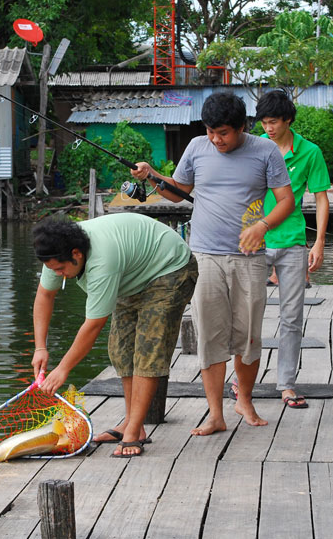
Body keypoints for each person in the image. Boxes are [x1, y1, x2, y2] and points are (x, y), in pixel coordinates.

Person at [131, 91, 294, 436]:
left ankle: (245, 399)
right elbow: (178, 191)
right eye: (210, 131)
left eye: (223, 133)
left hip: (249, 258)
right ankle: (215, 413)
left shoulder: (265, 151)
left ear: (241, 128)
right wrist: (153, 175)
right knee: (210, 337)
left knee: (248, 337)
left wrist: (262, 226)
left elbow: (286, 202)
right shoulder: (196, 147)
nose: (216, 139)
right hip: (204, 256)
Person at [31, 213, 198, 457]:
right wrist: (40, 347)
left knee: (147, 350)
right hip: (134, 273)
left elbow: (94, 324)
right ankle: (133, 424)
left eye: (60, 269)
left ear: (76, 254)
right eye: (52, 269)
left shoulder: (102, 261)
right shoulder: (56, 254)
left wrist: (63, 369)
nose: (57, 274)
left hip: (170, 268)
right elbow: (45, 296)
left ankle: (133, 433)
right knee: (121, 350)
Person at [255, 90, 330, 409]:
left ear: (288, 120)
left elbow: (321, 198)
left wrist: (320, 241)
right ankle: (240, 379)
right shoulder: (253, 147)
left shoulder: (310, 152)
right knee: (247, 314)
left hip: (294, 241)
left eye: (273, 122)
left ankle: (286, 383)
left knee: (292, 317)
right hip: (254, 241)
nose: (268, 128)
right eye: (264, 122)